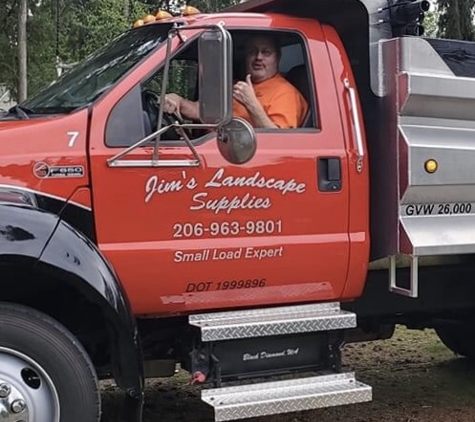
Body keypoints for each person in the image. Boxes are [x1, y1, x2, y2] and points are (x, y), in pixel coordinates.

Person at [162, 33, 309, 129]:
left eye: (266, 52)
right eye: (252, 51)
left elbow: (279, 142)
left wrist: (251, 103)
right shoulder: (234, 85)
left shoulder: (286, 93)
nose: (258, 57)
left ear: (278, 58)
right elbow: (202, 110)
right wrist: (179, 101)